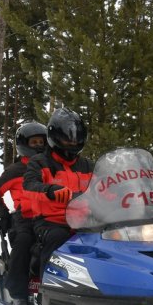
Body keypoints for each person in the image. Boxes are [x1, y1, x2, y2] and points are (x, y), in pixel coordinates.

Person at [24, 108, 94, 287]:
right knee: (58, 238)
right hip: (51, 221)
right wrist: (49, 189)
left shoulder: (87, 165)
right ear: (54, 136)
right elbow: (29, 186)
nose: (72, 141)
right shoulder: (40, 162)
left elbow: (105, 187)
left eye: (76, 137)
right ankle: (46, 291)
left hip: (86, 221)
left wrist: (122, 193)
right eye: (67, 137)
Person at [0, 122, 47, 305]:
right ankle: (18, 293)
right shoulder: (15, 171)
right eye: (34, 142)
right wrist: (4, 215)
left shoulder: (50, 167)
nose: (39, 145)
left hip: (48, 216)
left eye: (42, 141)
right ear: (24, 144)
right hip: (25, 218)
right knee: (23, 242)